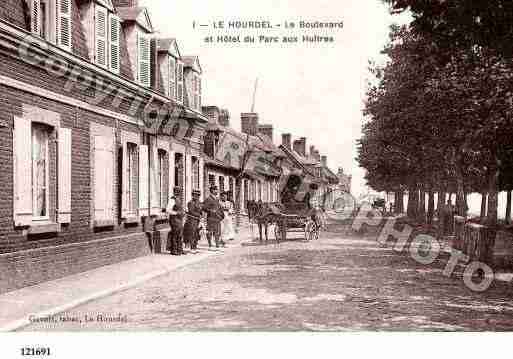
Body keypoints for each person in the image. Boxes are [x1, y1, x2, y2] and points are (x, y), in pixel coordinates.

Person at [169, 187, 185, 255]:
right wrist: (177, 213)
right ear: (175, 192)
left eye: (180, 191)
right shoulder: (172, 200)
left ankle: (180, 249)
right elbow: (168, 210)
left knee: (180, 234)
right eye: (178, 191)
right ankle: (174, 250)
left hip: (179, 219)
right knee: (175, 234)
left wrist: (183, 212)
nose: (179, 193)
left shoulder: (179, 199)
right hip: (174, 219)